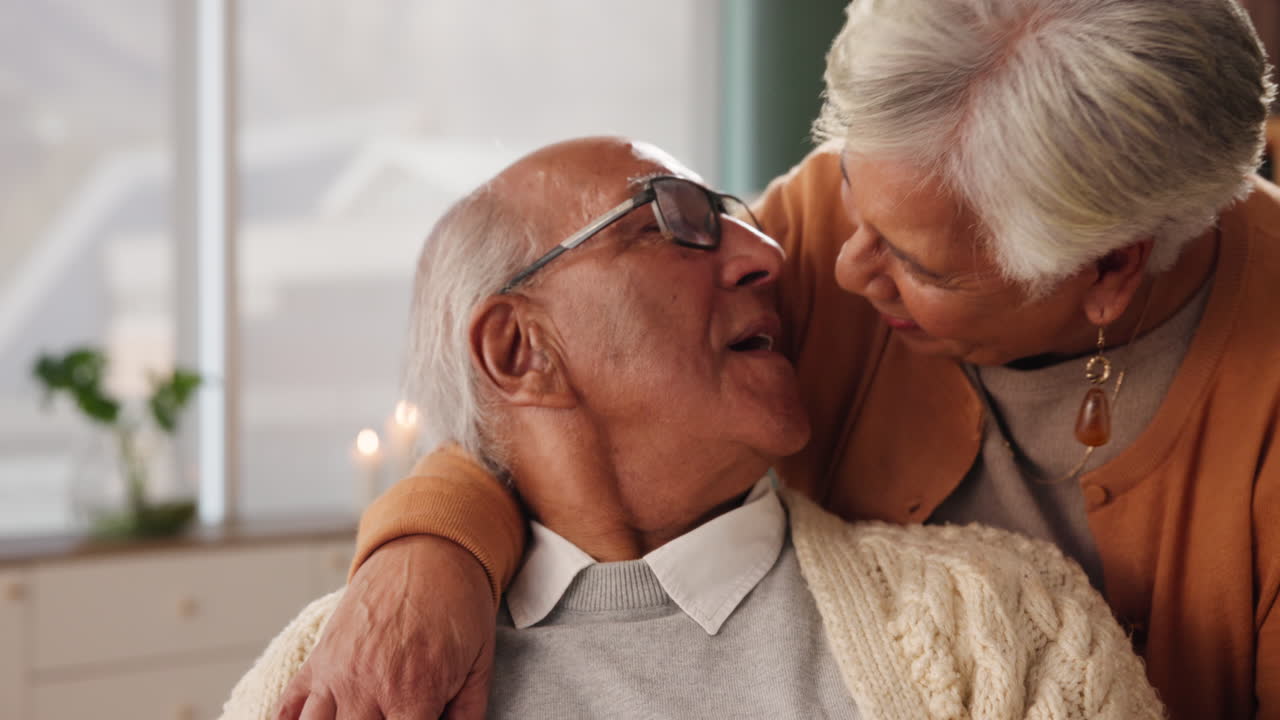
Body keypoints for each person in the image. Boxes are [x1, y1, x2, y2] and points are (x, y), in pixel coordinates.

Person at [276, 1, 1280, 719]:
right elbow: (562, 382)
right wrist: (431, 552)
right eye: (848, 195)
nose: (826, 265)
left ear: (1109, 269)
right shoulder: (842, 224)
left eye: (918, 264)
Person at [226, 137, 1162, 720]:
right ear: (519, 349)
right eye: (671, 221)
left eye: (738, 220)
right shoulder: (343, 679)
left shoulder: (1004, 617)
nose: (769, 255)